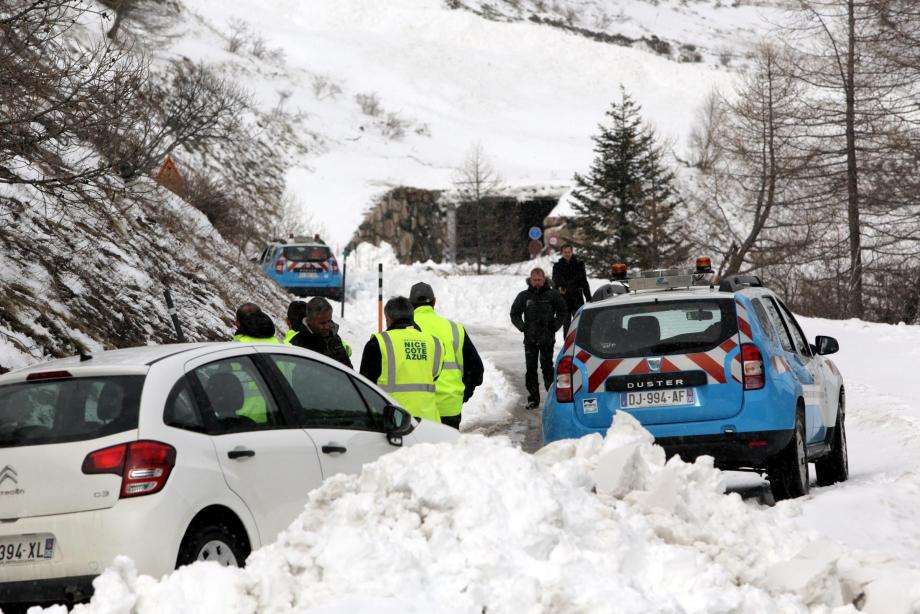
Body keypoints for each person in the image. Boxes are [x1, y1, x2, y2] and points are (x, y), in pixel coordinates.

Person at [409, 282, 484, 430]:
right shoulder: (455, 329)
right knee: (447, 451)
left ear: (410, 304)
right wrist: (462, 395)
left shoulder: (404, 330)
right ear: (434, 301)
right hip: (449, 407)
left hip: (416, 409)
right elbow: (476, 369)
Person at [359, 296, 444, 423]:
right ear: (412, 316)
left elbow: (365, 385)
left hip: (393, 421)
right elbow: (435, 375)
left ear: (388, 319)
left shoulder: (378, 343)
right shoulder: (434, 342)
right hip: (428, 421)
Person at [510, 268, 567, 409]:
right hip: (530, 339)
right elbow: (514, 313)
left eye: (539, 280)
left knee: (547, 368)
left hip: (547, 338)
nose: (537, 282)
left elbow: (563, 310)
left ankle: (552, 396)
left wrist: (555, 325)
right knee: (531, 369)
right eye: (534, 280)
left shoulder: (552, 295)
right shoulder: (524, 296)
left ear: (544, 279)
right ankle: (533, 399)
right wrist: (522, 327)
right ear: (530, 280)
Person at [289, 297, 353, 368]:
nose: (327, 326)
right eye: (322, 323)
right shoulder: (298, 344)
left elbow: (348, 368)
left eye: (329, 321)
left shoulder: (334, 338)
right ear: (309, 321)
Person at [551, 244, 592, 335]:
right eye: (565, 252)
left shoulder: (579, 265)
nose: (567, 254)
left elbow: (584, 282)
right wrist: (559, 288)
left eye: (569, 252)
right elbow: (555, 280)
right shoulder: (557, 266)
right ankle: (567, 345)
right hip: (563, 299)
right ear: (562, 253)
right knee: (566, 324)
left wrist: (589, 298)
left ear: (572, 252)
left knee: (579, 323)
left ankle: (579, 344)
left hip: (576, 298)